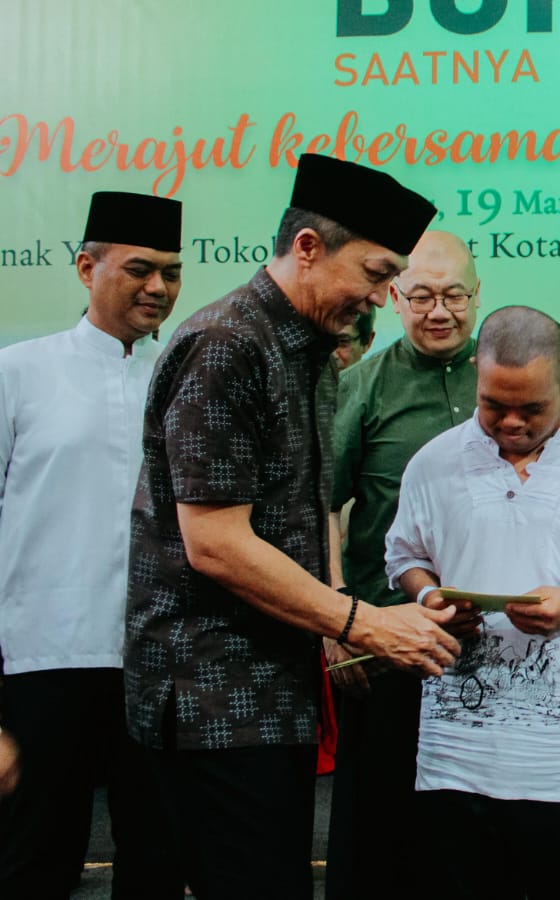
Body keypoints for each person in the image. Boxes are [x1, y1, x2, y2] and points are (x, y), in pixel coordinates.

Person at [123, 153, 461, 899]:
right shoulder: (230, 344)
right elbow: (214, 542)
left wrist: (337, 621)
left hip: (273, 685)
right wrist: (361, 621)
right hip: (214, 692)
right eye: (376, 273)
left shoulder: (308, 350)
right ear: (308, 246)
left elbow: (300, 513)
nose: (384, 295)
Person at [385, 305, 560, 898]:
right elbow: (403, 557)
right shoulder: (433, 461)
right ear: (476, 373)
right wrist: (431, 596)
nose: (512, 423)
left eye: (532, 409)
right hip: (458, 751)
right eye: (495, 405)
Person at [0, 191, 185, 899]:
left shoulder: (182, 379)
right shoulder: (20, 374)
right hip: (45, 658)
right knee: (32, 862)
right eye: (141, 269)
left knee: (157, 863)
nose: (159, 288)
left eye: (171, 272)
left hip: (158, 661)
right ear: (86, 268)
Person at [324, 230, 481, 900]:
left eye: (453, 296)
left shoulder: (506, 374)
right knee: (378, 810)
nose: (438, 310)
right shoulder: (359, 387)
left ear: (477, 298)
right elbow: (322, 507)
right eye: (421, 295)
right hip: (384, 632)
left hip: (491, 636)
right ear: (394, 297)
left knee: (476, 820)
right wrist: (335, 615)